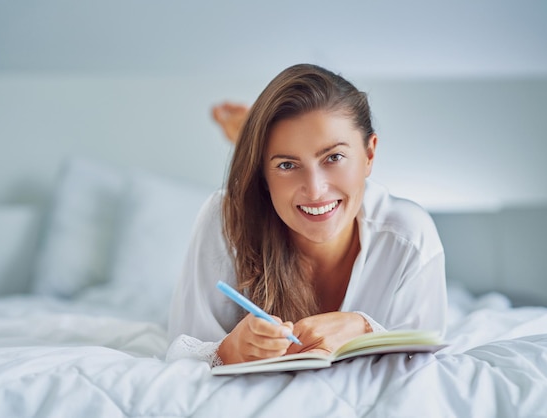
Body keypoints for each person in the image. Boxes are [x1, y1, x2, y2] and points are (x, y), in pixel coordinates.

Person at [167, 63, 447, 366]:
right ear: (263, 172)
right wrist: (226, 351)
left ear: (369, 155)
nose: (315, 191)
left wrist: (366, 329)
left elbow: (424, 356)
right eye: (287, 164)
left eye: (334, 157)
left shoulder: (409, 237)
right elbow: (182, 350)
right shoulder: (226, 218)